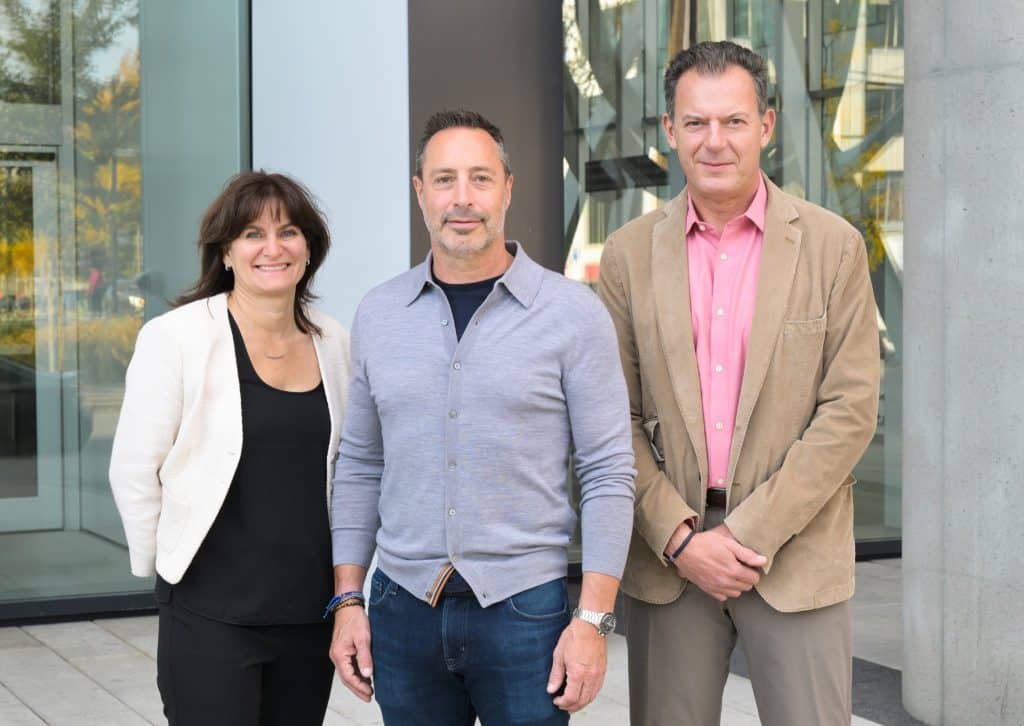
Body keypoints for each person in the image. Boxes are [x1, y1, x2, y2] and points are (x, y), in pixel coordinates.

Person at [597, 41, 880, 725]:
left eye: (733, 121)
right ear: (670, 131)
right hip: (672, 558)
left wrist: (747, 533)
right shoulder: (628, 254)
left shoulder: (833, 246)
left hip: (796, 551)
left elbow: (850, 411)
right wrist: (679, 538)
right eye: (696, 122)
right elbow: (610, 418)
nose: (714, 141)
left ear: (766, 126)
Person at [328, 109, 636, 725]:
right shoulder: (379, 313)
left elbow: (608, 472)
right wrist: (348, 599)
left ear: (508, 189)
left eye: (480, 178)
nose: (462, 198)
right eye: (444, 179)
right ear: (420, 191)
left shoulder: (573, 315)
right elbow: (359, 464)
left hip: (526, 614)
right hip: (402, 609)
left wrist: (593, 619)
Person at [109, 171, 350, 725]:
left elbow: (350, 468)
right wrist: (164, 567)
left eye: (288, 232)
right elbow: (134, 467)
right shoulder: (176, 337)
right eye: (252, 235)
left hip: (307, 611)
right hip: (209, 609)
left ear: (309, 249)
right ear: (225, 252)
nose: (273, 248)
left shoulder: (335, 341)